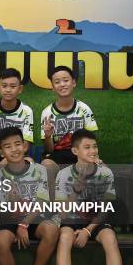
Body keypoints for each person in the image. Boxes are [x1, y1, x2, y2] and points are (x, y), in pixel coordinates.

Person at [51, 129, 131, 265]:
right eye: (86, 147)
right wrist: (78, 187)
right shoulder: (63, 175)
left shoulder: (105, 173)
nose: (92, 151)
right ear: (75, 151)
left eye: (94, 146)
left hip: (96, 221)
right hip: (72, 219)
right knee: (64, 237)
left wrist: (88, 231)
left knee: (110, 238)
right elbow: (62, 214)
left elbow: (107, 207)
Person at [0, 127, 59, 265]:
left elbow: (43, 202)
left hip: (33, 217)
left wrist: (24, 224)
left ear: (25, 145)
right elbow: (2, 209)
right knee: (0, 238)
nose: (14, 149)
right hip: (11, 218)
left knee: (51, 229)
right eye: (8, 147)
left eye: (17, 144)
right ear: (1, 152)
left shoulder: (40, 171)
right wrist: (14, 202)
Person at [41, 66, 98, 196]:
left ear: (73, 83)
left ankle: (89, 211)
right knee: (46, 165)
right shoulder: (47, 112)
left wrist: (93, 157)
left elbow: (91, 140)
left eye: (66, 80)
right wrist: (48, 136)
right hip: (58, 155)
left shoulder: (84, 109)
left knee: (102, 167)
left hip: (80, 154)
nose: (62, 84)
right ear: (52, 86)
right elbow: (49, 150)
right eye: (57, 82)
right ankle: (52, 208)